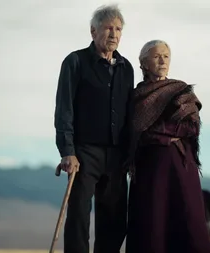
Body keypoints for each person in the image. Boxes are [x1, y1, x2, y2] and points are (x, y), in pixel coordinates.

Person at [53, 4, 134, 253]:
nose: (114, 34)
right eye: (108, 28)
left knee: (114, 221)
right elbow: (64, 108)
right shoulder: (75, 62)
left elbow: (130, 115)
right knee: (78, 216)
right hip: (83, 153)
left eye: (118, 29)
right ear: (93, 31)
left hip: (117, 156)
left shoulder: (126, 68)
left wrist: (130, 155)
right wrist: (67, 151)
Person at [124, 40, 210, 253]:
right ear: (143, 63)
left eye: (166, 56)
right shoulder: (136, 97)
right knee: (152, 224)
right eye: (156, 56)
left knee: (187, 221)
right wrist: (164, 136)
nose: (163, 60)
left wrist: (157, 133)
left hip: (181, 168)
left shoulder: (180, 91)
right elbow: (134, 132)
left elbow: (191, 126)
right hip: (149, 171)